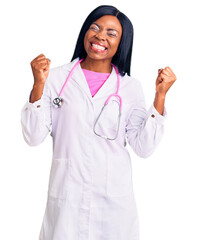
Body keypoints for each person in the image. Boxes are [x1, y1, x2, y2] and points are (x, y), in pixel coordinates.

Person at [21, 5, 176, 240]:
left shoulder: (129, 87)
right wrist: (38, 85)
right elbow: (33, 137)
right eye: (95, 27)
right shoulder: (56, 78)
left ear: (121, 43)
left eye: (111, 33)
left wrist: (160, 96)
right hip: (67, 201)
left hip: (113, 205)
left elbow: (143, 147)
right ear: (85, 31)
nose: (100, 36)